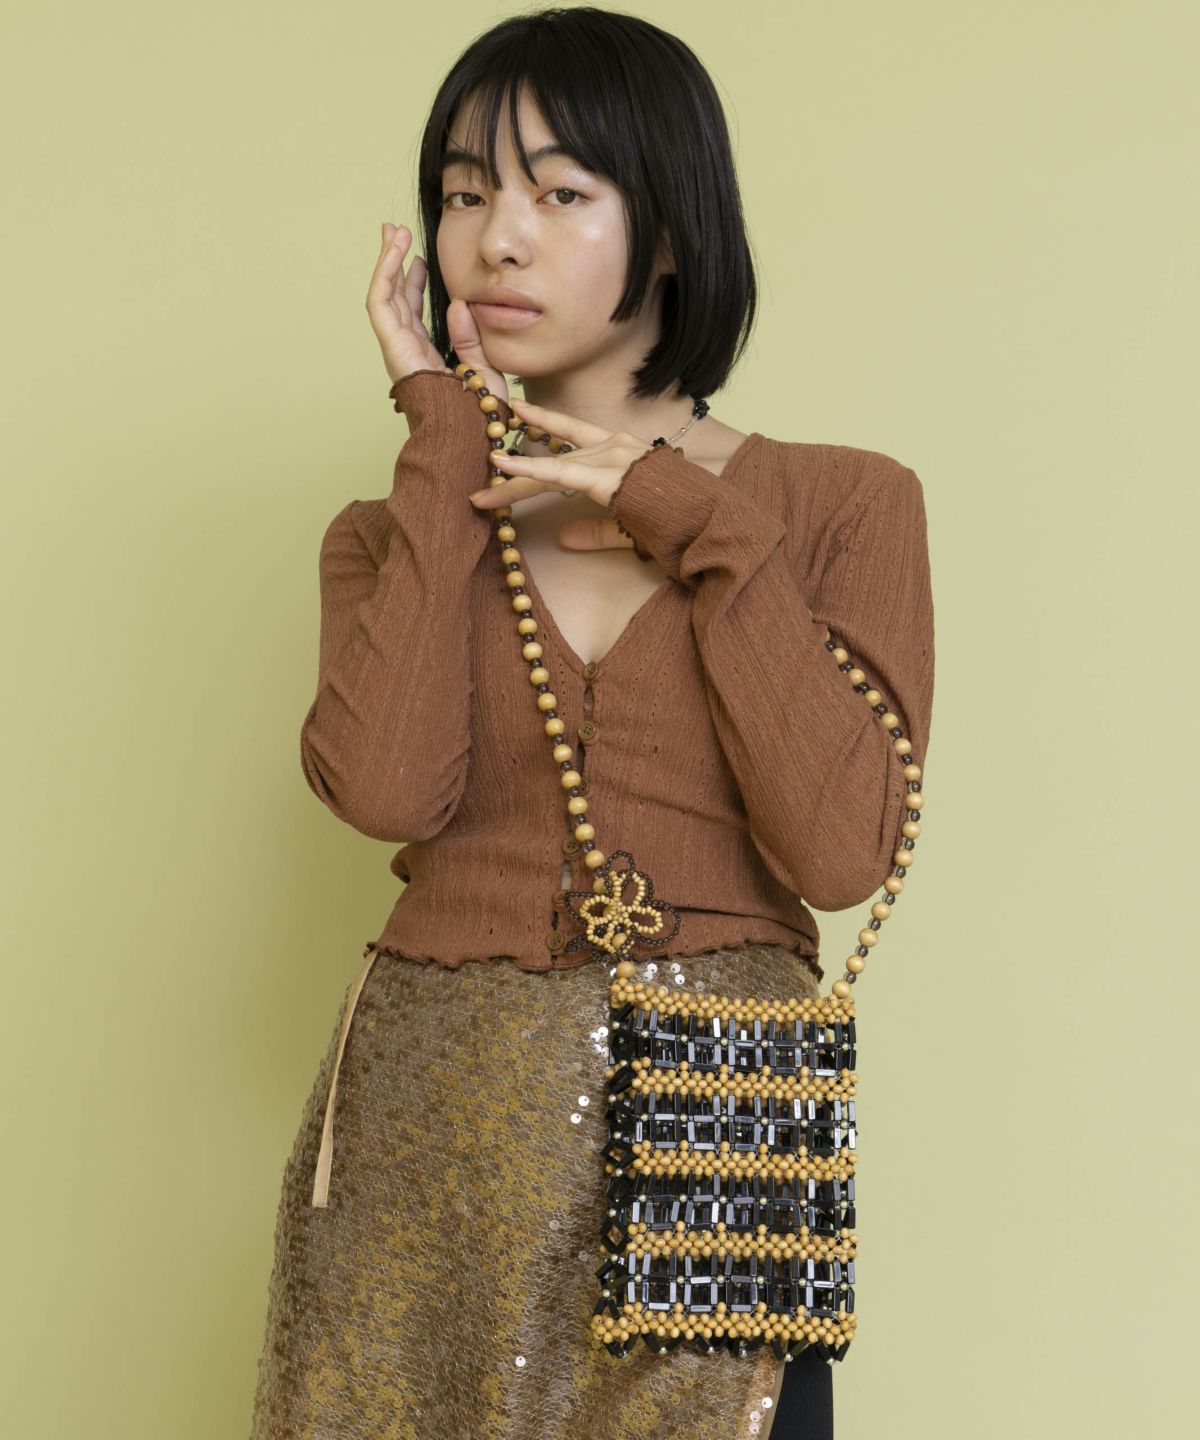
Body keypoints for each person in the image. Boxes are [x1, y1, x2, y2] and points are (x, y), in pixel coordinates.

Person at [248, 7, 935, 1438]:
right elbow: (386, 792)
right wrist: (444, 436)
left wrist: (695, 520)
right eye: (463, 193)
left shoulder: (844, 504)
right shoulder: (392, 533)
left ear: (670, 230)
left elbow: (838, 851)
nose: (497, 238)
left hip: (724, 1111)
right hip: (431, 1120)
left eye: (560, 193)